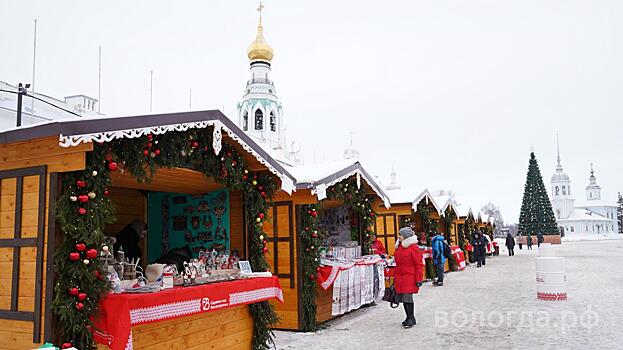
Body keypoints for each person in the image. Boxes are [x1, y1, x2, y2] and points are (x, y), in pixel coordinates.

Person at [393, 227, 424, 328]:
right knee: (403, 298)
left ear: (406, 236)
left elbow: (419, 264)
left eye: (400, 235)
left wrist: (419, 279)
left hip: (410, 277)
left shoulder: (413, 248)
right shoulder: (399, 247)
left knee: (408, 298)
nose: (399, 236)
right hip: (400, 277)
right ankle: (408, 317)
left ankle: (411, 317)